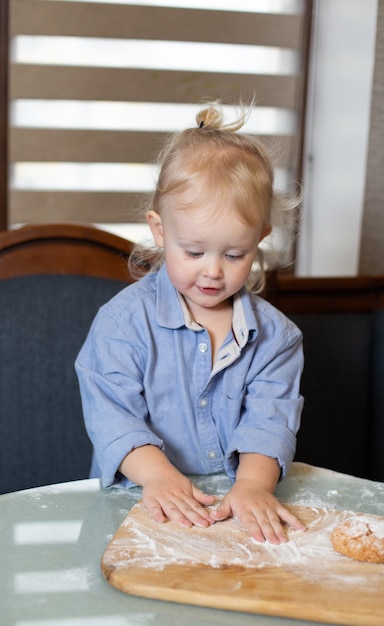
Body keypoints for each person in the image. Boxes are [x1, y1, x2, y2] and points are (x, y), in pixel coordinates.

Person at [75, 101, 305, 544]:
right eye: (194, 252)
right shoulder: (122, 324)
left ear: (259, 239)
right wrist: (158, 475)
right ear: (160, 231)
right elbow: (112, 416)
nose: (213, 271)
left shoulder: (278, 337)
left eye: (234, 254)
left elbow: (269, 421)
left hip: (236, 508)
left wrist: (253, 485)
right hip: (141, 503)